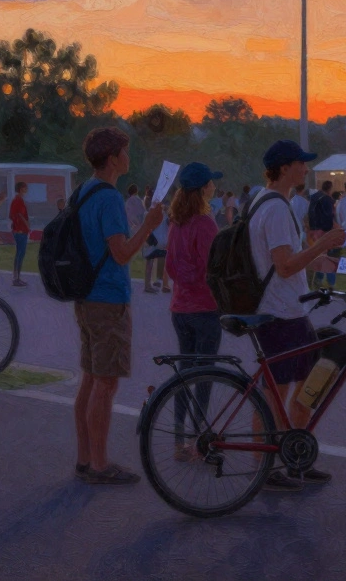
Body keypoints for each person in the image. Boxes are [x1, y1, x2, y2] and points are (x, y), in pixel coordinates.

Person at [251, 141, 346, 489]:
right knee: (280, 390)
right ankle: (271, 463)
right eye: (301, 164)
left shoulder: (265, 202)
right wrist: (321, 246)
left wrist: (318, 259)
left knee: (295, 386)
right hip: (281, 311)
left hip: (284, 308)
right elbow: (284, 265)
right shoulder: (276, 209)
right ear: (285, 167)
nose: (306, 169)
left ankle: (292, 456)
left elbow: (285, 260)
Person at [72, 127, 164, 484]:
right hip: (108, 300)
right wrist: (150, 226)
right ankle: (99, 464)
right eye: (125, 152)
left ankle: (84, 459)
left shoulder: (84, 191)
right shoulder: (109, 197)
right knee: (105, 385)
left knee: (91, 380)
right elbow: (122, 253)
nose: (129, 157)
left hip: (85, 297)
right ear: (112, 159)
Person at [165, 162, 224, 462]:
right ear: (204, 189)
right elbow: (213, 268)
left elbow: (170, 266)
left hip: (181, 308)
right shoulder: (205, 224)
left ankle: (179, 443)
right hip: (205, 308)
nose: (214, 186)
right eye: (211, 183)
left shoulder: (176, 222)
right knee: (204, 377)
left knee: (184, 376)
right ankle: (200, 441)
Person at [307, 180, 338, 289]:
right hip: (324, 232)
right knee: (329, 257)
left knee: (319, 255)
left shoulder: (314, 197)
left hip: (313, 231)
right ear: (330, 189)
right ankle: (331, 283)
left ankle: (318, 280)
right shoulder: (327, 200)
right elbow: (329, 218)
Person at [142, 190, 171, 294]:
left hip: (155, 239)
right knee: (151, 261)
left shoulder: (160, 212)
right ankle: (150, 284)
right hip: (154, 239)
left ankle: (156, 282)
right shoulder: (155, 212)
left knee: (154, 260)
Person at [9, 181, 29, 287]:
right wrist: (26, 224)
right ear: (20, 189)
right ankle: (16, 278)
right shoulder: (18, 200)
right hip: (20, 231)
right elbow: (19, 215)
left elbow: (13, 215)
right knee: (20, 255)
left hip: (19, 230)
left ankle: (16, 278)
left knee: (20, 254)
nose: (26, 190)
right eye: (25, 188)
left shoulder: (18, 200)